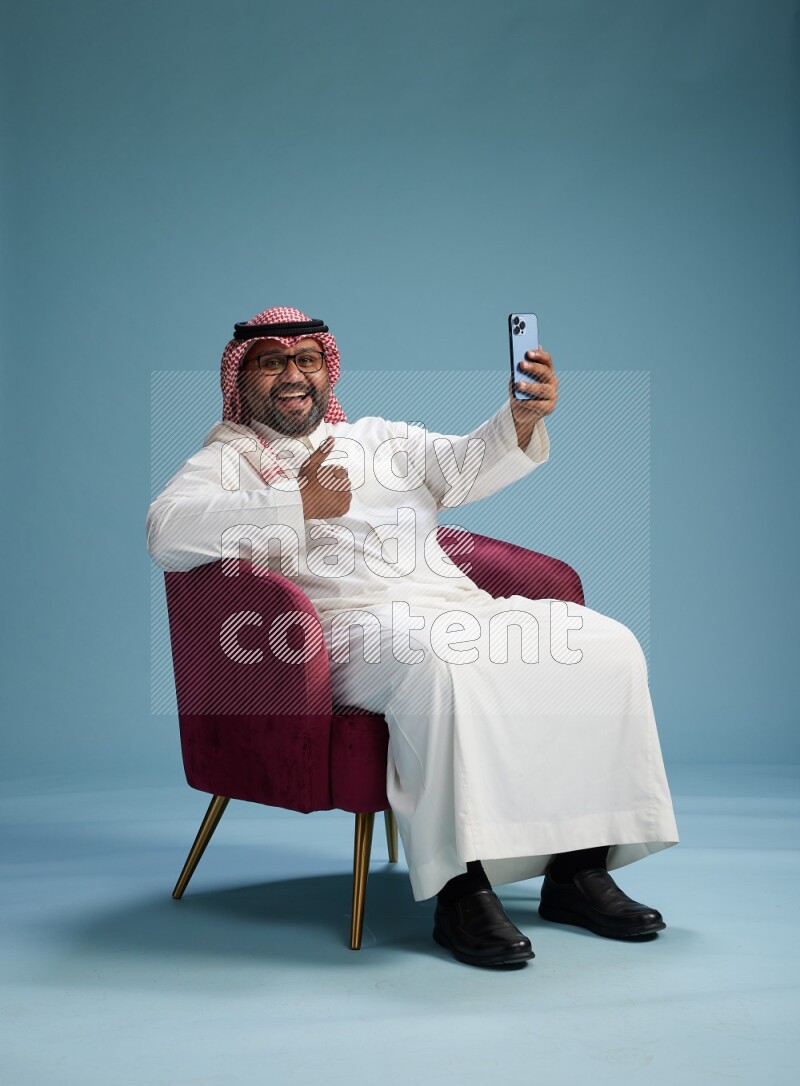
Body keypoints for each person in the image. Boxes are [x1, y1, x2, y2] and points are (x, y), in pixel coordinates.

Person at [146, 305, 679, 968]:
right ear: (242, 378)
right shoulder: (225, 461)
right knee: (435, 662)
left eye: (306, 360)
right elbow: (165, 533)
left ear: (326, 370)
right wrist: (296, 505)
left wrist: (520, 418)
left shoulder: (380, 440)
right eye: (271, 362)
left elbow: (461, 465)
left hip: (452, 605)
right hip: (338, 633)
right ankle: (461, 890)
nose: (292, 375)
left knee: (603, 646)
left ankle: (577, 870)